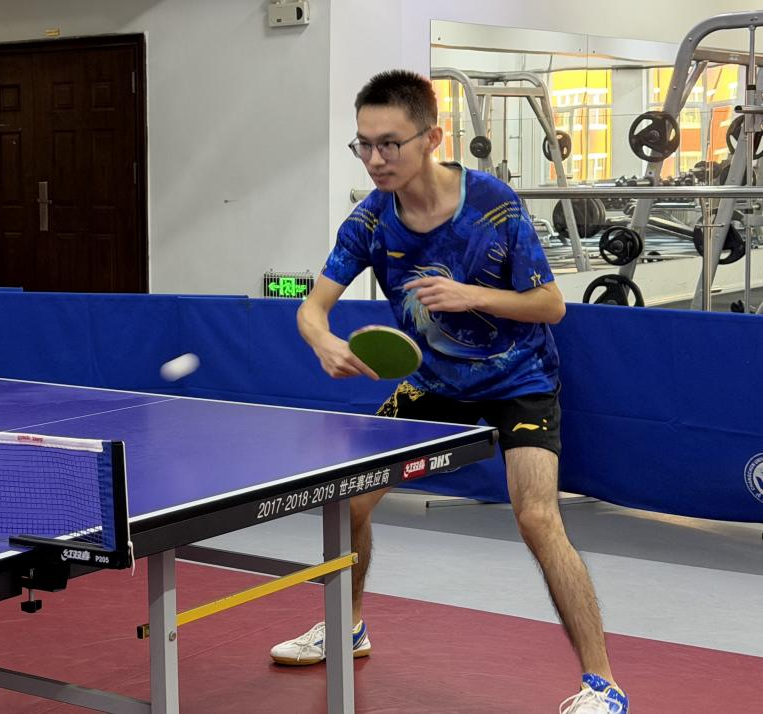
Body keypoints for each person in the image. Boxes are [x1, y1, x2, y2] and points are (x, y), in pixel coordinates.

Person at [268, 70, 627, 714]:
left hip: (519, 380)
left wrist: (469, 295)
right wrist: (322, 340)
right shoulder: (370, 221)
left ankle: (603, 684)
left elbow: (550, 306)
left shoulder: (492, 203)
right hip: (433, 383)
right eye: (363, 144)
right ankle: (348, 625)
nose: (375, 159)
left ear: (432, 138)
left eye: (389, 143)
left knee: (537, 518)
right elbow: (311, 307)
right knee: (349, 502)